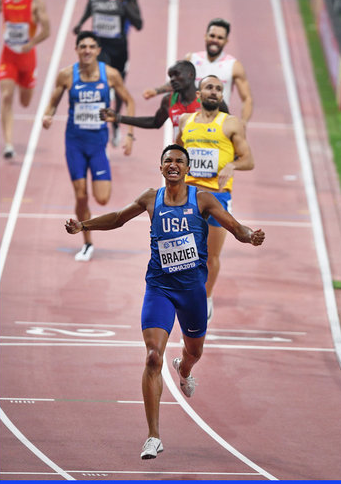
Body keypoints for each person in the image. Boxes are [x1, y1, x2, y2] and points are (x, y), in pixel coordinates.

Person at [64, 144, 265, 459]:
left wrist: (250, 235)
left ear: (187, 169)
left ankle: (184, 370)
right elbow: (118, 218)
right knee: (153, 357)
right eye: (168, 161)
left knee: (194, 352)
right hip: (159, 288)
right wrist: (84, 226)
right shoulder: (150, 198)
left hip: (192, 292)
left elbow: (235, 226)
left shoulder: (203, 199)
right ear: (161, 168)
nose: (173, 165)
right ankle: (153, 436)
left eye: (179, 161)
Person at [42, 31, 135, 262]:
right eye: (82, 46)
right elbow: (52, 103)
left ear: (98, 51)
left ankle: (86, 217)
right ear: (77, 49)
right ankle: (87, 240)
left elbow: (130, 101)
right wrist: (48, 115)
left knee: (102, 198)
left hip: (98, 144)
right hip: (74, 142)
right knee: (81, 195)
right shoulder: (66, 75)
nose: (86, 50)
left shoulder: (110, 75)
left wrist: (129, 134)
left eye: (91, 47)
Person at [176, 75, 254, 320]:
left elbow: (249, 160)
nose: (214, 92)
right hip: (188, 196)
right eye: (209, 87)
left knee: (211, 256)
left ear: (222, 96)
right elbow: (176, 153)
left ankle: (206, 297)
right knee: (183, 252)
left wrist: (232, 166)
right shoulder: (185, 121)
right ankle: (181, 293)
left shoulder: (231, 124)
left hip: (218, 198)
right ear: (198, 94)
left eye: (219, 89)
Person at [143, 18, 253, 126]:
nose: (215, 40)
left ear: (226, 41)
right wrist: (156, 91)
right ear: (205, 36)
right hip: (191, 121)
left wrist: (243, 123)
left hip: (217, 123)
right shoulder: (192, 59)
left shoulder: (234, 65)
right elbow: (179, 82)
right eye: (212, 36)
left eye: (220, 38)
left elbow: (247, 98)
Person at [73, 0, 143, 148]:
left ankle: (116, 121)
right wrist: (81, 23)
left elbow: (139, 24)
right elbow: (91, 7)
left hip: (119, 49)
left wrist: (123, 6)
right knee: (99, 84)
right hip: (99, 48)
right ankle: (95, 125)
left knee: (118, 89)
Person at [99, 60, 228, 142]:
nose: (172, 79)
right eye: (170, 76)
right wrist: (118, 118)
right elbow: (155, 122)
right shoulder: (169, 101)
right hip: (182, 163)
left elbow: (230, 125)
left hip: (206, 162)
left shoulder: (209, 100)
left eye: (177, 74)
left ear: (190, 75)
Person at [0, 0, 50, 158]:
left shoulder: (35, 2)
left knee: (25, 102)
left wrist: (32, 43)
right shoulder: (2, 0)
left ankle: (23, 84)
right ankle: (9, 145)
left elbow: (47, 30)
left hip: (27, 58)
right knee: (6, 95)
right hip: (8, 56)